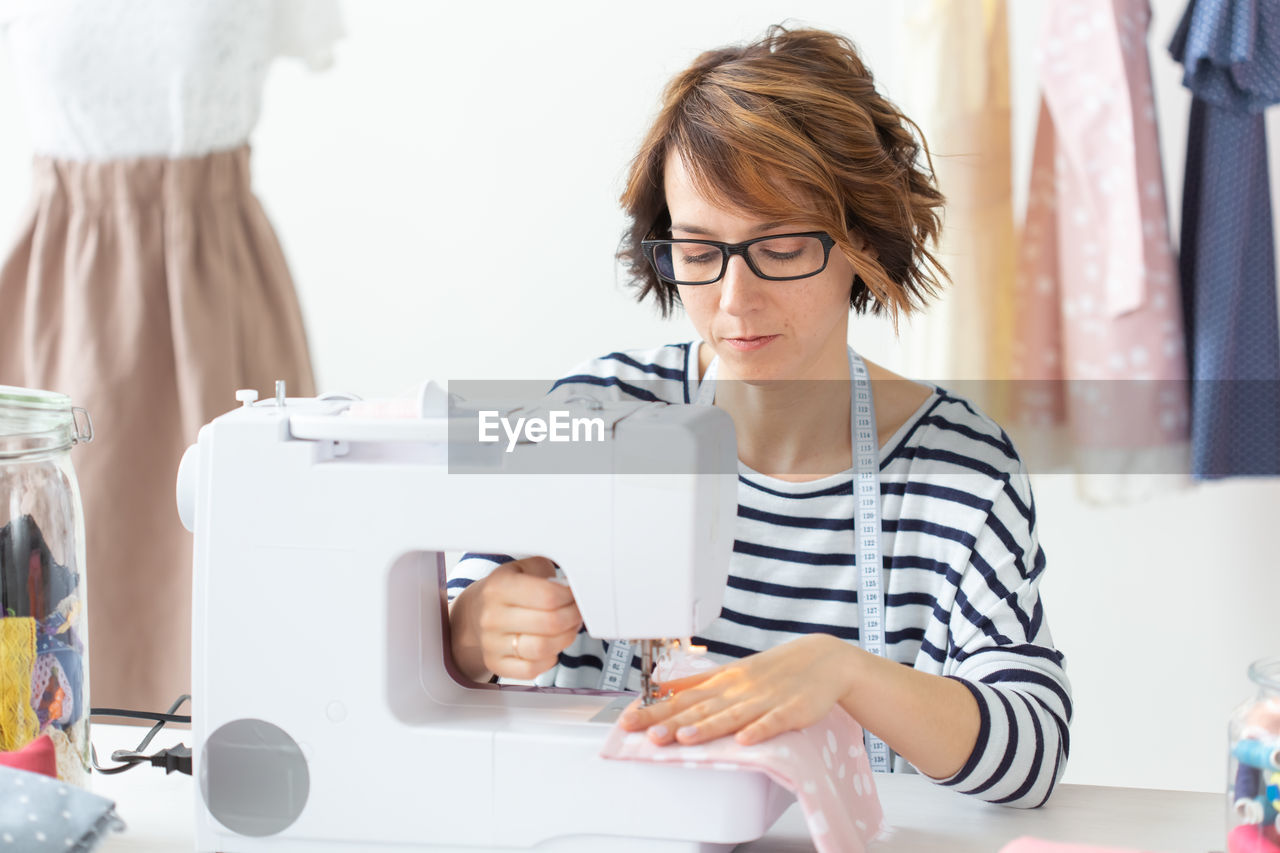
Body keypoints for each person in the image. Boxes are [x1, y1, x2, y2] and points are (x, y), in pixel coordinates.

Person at [446, 25, 1071, 808]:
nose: (734, 304)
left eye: (779, 247)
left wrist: (845, 672)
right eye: (700, 251)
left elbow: (1033, 748)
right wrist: (469, 632)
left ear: (862, 241)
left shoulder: (959, 469)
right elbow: (430, 649)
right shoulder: (595, 415)